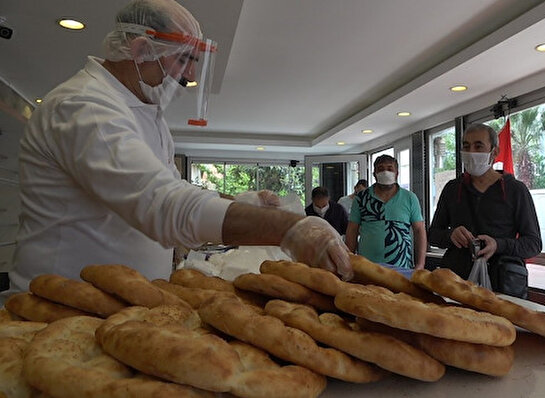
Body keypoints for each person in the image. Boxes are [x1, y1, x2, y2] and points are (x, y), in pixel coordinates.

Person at [3, 0, 352, 301]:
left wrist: (240, 203)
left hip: (116, 305)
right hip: (61, 306)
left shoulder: (144, 115)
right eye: (183, 59)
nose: (189, 75)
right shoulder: (84, 106)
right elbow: (162, 205)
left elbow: (172, 189)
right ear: (141, 50)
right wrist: (290, 227)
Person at [428, 123, 542, 282]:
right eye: (466, 146)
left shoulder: (516, 190)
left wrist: (499, 245)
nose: (471, 152)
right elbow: (433, 234)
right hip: (456, 282)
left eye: (478, 146)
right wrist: (450, 235)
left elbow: (533, 244)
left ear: (494, 152)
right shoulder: (452, 189)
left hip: (501, 282)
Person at [346, 155, 426, 270]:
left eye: (390, 168)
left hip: (401, 267)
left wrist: (420, 264)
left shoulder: (409, 198)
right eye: (381, 168)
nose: (385, 172)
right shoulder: (361, 198)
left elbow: (419, 230)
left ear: (397, 173)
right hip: (367, 267)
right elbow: (352, 230)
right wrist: (349, 261)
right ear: (374, 174)